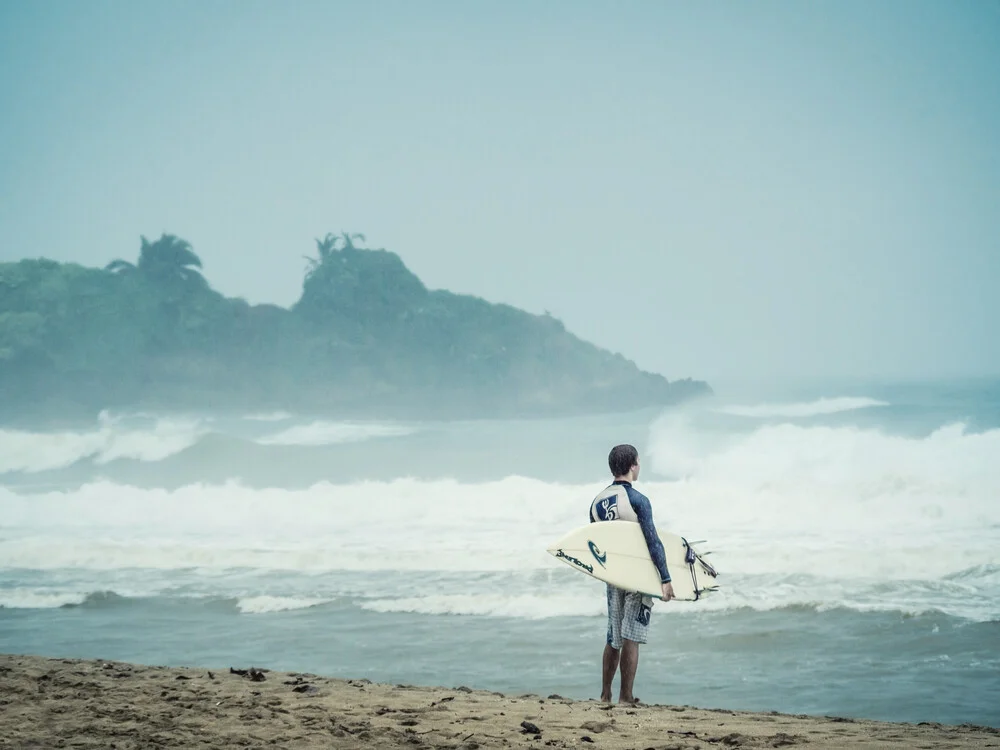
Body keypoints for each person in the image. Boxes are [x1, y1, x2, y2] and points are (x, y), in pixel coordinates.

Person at [589, 443, 674, 704]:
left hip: (612, 575)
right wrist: (666, 578)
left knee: (613, 635)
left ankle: (605, 695)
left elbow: (594, 544)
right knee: (631, 636)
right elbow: (653, 541)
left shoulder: (597, 502)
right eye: (638, 462)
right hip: (637, 577)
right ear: (632, 466)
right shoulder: (638, 500)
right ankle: (626, 697)